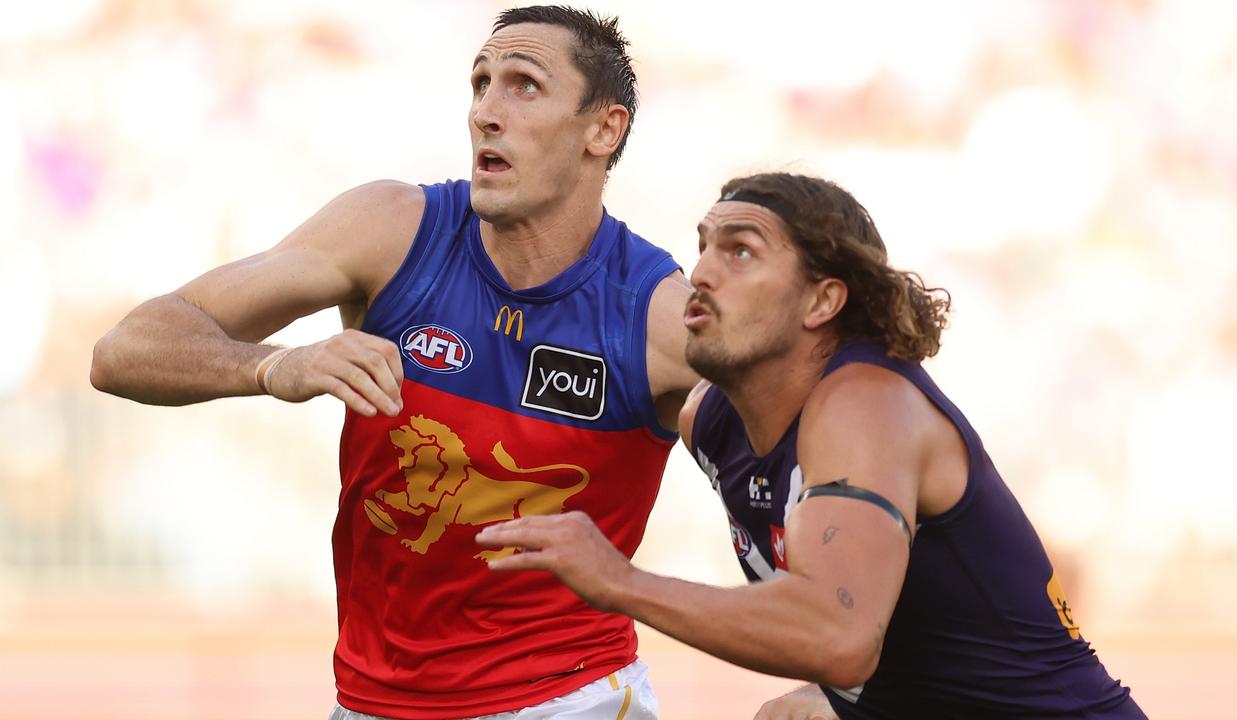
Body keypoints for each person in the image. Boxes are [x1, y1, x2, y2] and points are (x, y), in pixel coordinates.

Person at [90, 7, 700, 720]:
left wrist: (819, 676)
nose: (485, 113)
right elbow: (123, 351)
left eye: (523, 85)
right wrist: (272, 367)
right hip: (373, 701)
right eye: (480, 83)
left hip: (569, 699)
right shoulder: (392, 231)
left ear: (604, 129)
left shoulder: (656, 312)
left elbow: (810, 478)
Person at [477, 172, 1148, 719]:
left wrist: (621, 582)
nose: (702, 271)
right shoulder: (711, 417)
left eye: (739, 251)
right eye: (704, 245)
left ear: (823, 300)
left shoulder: (864, 405)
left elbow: (839, 636)